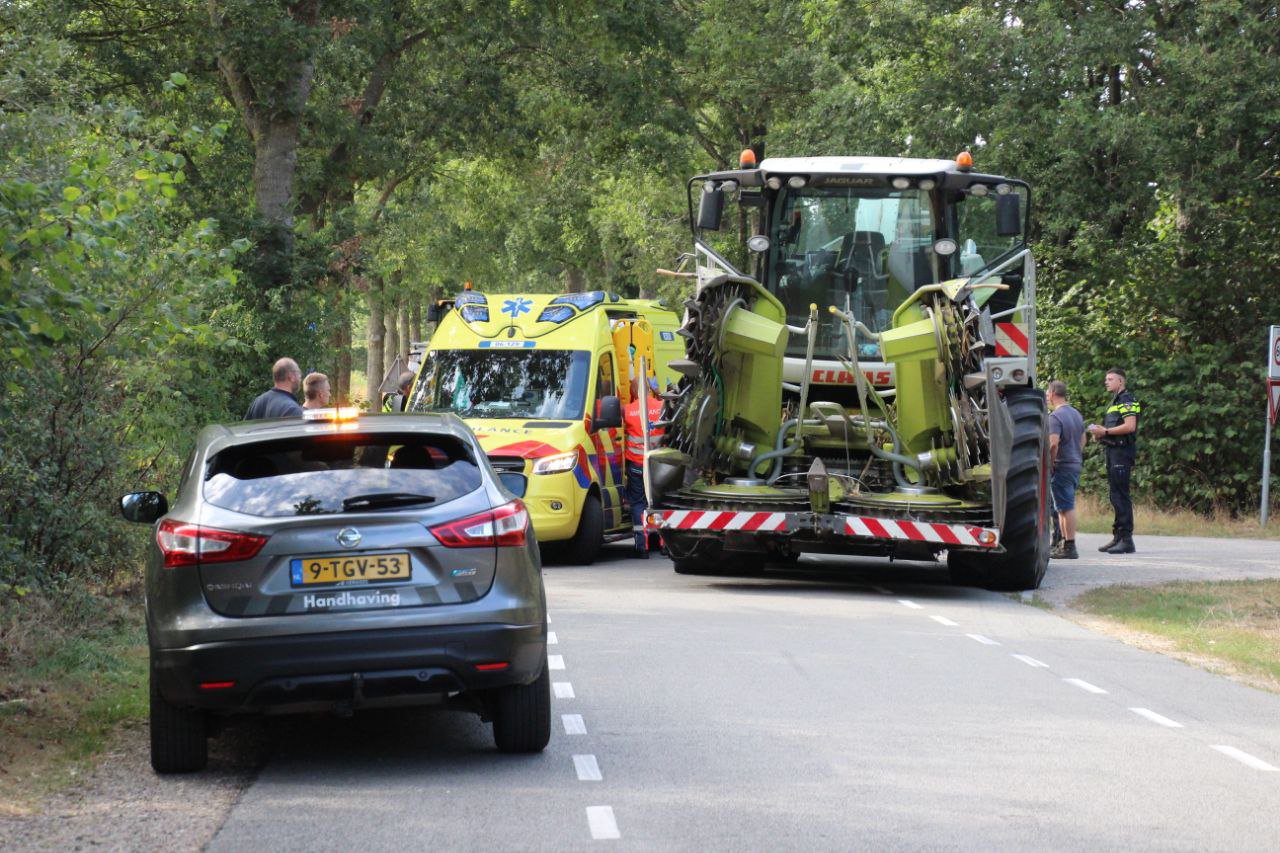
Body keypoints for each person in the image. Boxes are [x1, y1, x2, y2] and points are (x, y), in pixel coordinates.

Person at [1087, 367, 1141, 554]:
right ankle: (1118, 537)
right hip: (1113, 451)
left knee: (1121, 495)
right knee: (1115, 495)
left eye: (1110, 379)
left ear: (1121, 381)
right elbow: (1115, 427)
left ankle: (1126, 540)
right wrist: (1100, 433)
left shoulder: (1127, 399)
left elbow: (1130, 426)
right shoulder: (1115, 401)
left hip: (1122, 452)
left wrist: (1106, 431)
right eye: (1106, 379)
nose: (1106, 382)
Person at [623, 377, 664, 558]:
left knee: (638, 503)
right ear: (649, 389)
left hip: (637, 465)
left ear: (633, 391)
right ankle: (664, 544)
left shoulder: (628, 410)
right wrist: (659, 392)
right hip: (658, 465)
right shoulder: (661, 406)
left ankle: (642, 547)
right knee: (658, 502)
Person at [1046, 380, 1085, 560]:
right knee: (1062, 507)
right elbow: (1083, 439)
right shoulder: (1076, 414)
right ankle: (1064, 545)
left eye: (1048, 393)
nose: (1047, 396)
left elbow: (1053, 443)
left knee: (1066, 507)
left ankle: (1070, 545)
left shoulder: (1055, 417)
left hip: (1062, 466)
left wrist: (1051, 463)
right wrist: (1076, 454)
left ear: (1053, 393)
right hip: (1075, 464)